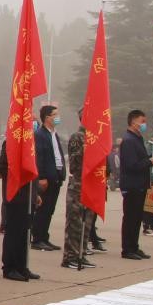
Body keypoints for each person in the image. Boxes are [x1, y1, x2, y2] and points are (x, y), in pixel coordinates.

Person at [61, 108, 97, 270]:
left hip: (90, 185)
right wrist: (87, 149)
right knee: (75, 222)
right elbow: (75, 164)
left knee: (87, 223)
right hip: (78, 185)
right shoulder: (78, 137)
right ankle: (70, 257)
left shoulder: (94, 137)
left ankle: (81, 254)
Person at [0, 145, 39, 282]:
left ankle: (22, 266)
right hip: (16, 196)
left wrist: (35, 194)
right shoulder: (11, 142)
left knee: (24, 234)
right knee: (13, 232)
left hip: (28, 196)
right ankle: (9, 267)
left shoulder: (30, 142)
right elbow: (2, 168)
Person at [116, 109, 152, 260]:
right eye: (142, 121)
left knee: (137, 218)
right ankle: (127, 249)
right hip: (132, 185)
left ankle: (134, 246)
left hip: (140, 184)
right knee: (130, 217)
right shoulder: (129, 140)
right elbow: (131, 165)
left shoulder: (137, 138)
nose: (144, 124)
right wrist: (149, 162)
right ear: (133, 122)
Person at [31, 105, 65, 251]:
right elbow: (40, 157)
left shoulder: (53, 134)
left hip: (56, 176)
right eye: (55, 115)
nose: (57, 117)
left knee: (49, 210)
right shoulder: (40, 134)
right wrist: (42, 177)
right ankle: (37, 238)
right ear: (47, 118)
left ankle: (44, 237)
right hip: (46, 178)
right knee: (43, 209)